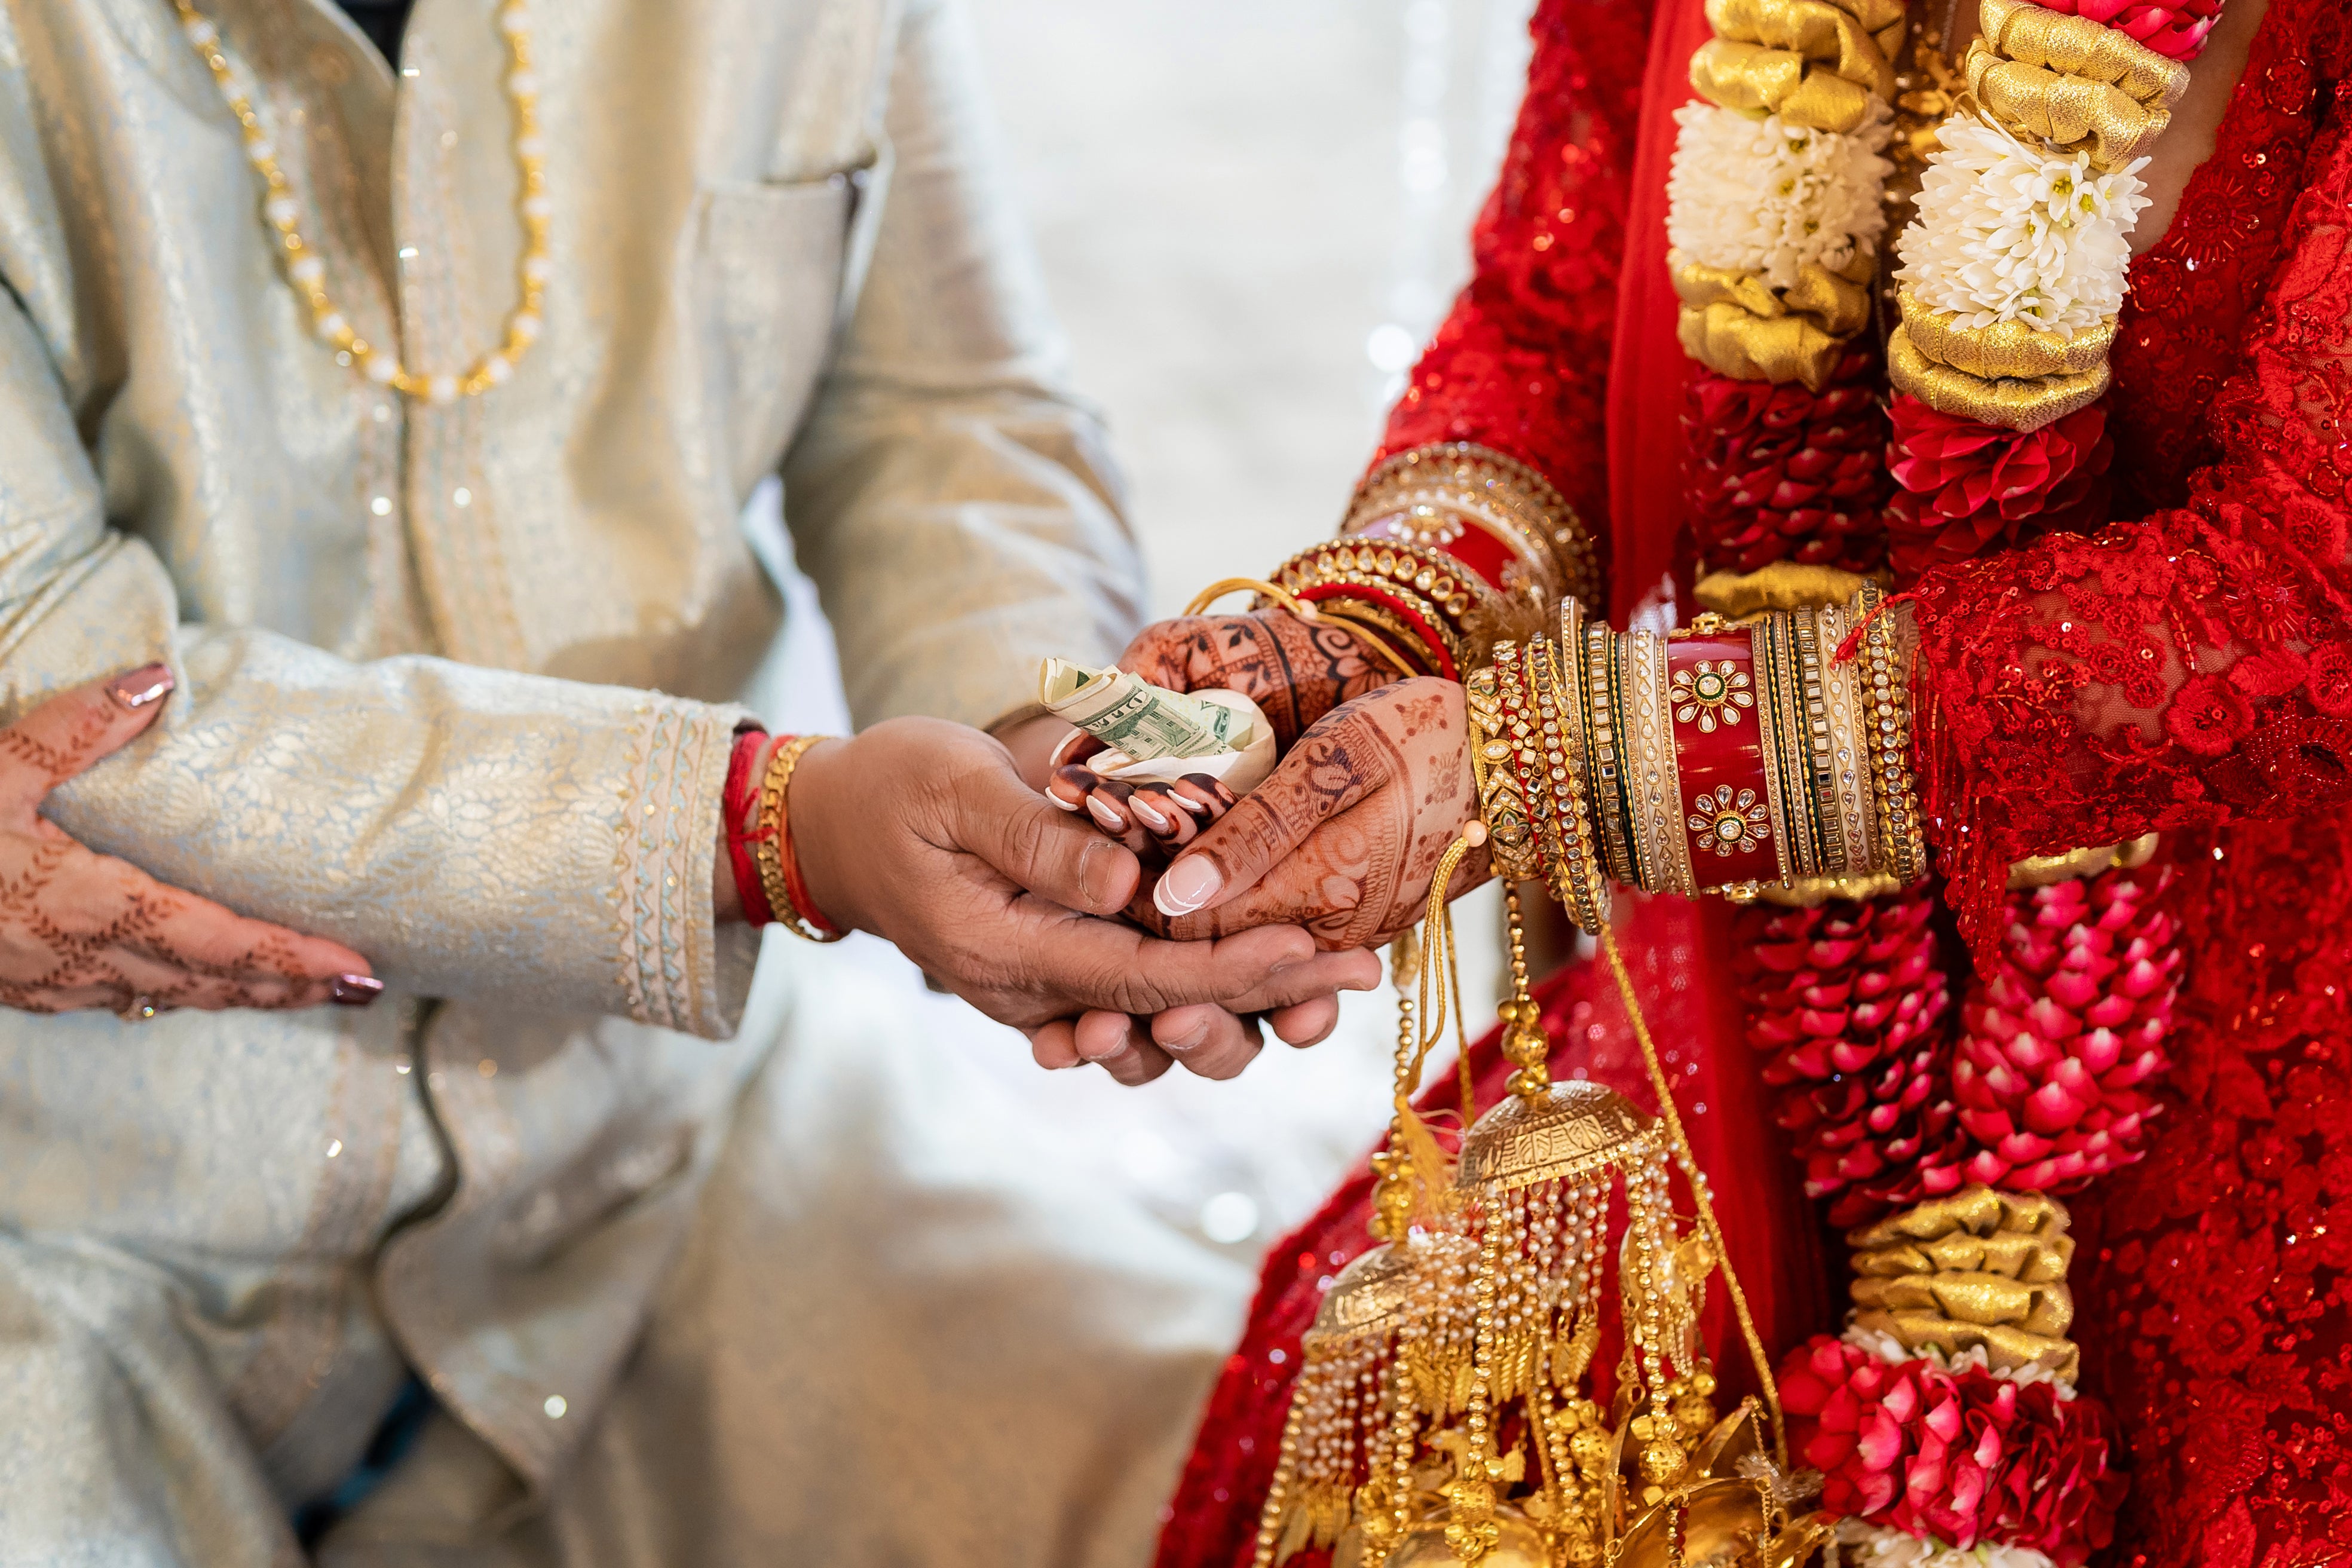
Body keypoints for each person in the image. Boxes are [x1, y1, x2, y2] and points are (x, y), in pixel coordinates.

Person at [0, 0, 1385, 1561]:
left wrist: (1047, 774)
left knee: (1298, 1487)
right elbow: (50, 672)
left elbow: (940, 410)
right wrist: (760, 833)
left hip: (673, 1155)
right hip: (84, 1229)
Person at [1053, 0, 2352, 1560]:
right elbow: (1552, 318)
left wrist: (1551, 758)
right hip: (1787, 1024)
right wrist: (1354, 650)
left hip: (2268, 1141)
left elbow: (2292, 603)